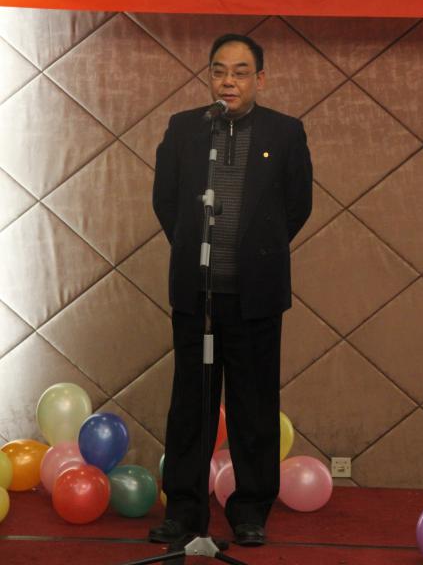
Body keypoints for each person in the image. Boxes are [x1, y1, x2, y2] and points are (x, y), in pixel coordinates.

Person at [150, 33, 312, 549]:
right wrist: (196, 249)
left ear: (259, 79)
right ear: (209, 75)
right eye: (219, 70)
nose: (228, 81)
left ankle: (250, 511)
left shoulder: (285, 133)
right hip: (196, 296)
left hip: (255, 297)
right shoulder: (184, 128)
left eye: (241, 72)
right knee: (190, 406)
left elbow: (297, 207)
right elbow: (166, 201)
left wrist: (255, 251)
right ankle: (184, 510)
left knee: (254, 407)